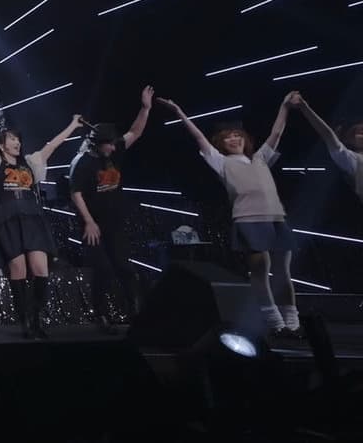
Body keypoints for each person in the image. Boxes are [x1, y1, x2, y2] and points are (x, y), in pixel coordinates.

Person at [157, 93, 302, 336]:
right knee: (260, 268)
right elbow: (199, 137)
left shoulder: (260, 158)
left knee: (283, 271)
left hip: (276, 218)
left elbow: (276, 133)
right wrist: (179, 112)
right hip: (248, 219)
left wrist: (284, 106)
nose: (233, 139)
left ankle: (292, 320)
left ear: (245, 138)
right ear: (221, 143)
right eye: (227, 137)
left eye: (237, 135)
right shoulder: (221, 162)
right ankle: (273, 319)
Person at [0, 95, 84, 339]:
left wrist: (73, 125)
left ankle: (37, 317)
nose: (17, 142)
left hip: (32, 218)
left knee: (40, 269)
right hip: (7, 219)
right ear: (2, 145)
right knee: (18, 270)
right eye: (12, 139)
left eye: (18, 139)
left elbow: (52, 146)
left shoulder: (30, 162)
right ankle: (25, 321)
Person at [68, 86, 154, 334]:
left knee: (125, 268)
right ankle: (101, 315)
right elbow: (76, 193)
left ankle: (137, 315)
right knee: (103, 269)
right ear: (98, 144)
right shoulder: (83, 162)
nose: (114, 149)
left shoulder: (113, 150)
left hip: (114, 222)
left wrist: (145, 108)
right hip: (92, 224)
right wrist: (88, 221)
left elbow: (135, 132)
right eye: (109, 146)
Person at [293, 97, 363, 205]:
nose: (361, 134)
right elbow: (327, 134)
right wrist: (305, 108)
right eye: (357, 133)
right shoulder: (353, 161)